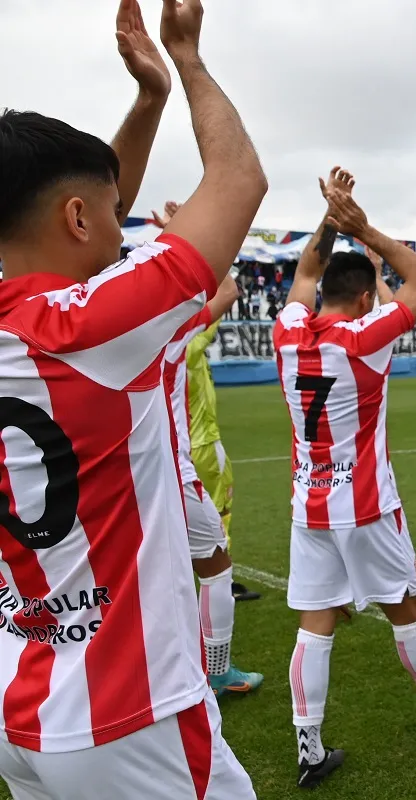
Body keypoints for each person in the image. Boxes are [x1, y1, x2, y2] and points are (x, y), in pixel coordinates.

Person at [0, 0, 267, 796]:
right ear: (78, 217)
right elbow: (239, 179)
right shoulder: (83, 333)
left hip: (27, 699)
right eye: (117, 215)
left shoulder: (43, 324)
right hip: (131, 711)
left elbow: (75, 229)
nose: (126, 234)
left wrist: (145, 103)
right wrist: (185, 61)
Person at [276, 168, 416, 790]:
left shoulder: (289, 336)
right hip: (364, 504)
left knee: (314, 623)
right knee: (408, 609)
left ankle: (308, 746)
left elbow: (303, 276)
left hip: (308, 505)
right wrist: (359, 224)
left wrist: (327, 217)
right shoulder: (365, 339)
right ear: (367, 296)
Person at [162, 274, 264, 699]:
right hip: (180, 462)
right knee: (216, 564)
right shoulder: (181, 336)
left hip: (125, 472)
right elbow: (229, 289)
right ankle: (217, 671)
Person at [154, 200, 260, 602]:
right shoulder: (189, 336)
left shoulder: (158, 337)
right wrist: (187, 236)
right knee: (215, 521)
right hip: (198, 442)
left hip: (165, 448)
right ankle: (220, 584)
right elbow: (228, 288)